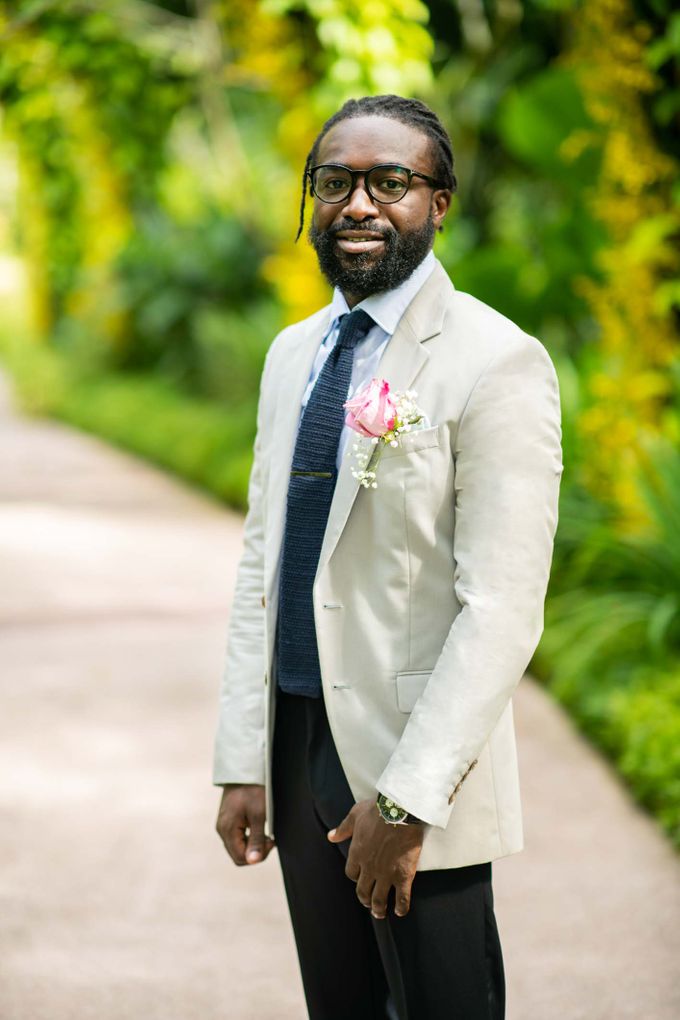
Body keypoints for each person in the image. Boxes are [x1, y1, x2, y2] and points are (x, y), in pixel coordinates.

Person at [213, 94, 563, 1020]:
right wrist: (242, 759)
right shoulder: (294, 354)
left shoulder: (497, 360)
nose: (358, 205)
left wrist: (404, 803)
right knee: (339, 1005)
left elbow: (501, 608)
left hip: (415, 770)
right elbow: (264, 563)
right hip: (294, 743)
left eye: (390, 182)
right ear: (311, 200)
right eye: (335, 183)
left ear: (439, 202)